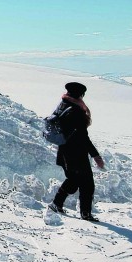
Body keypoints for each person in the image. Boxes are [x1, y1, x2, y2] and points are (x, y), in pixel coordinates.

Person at [50, 81, 105, 222]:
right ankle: (85, 214)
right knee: (87, 184)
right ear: (79, 95)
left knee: (73, 180)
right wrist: (96, 155)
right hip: (76, 154)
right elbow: (83, 137)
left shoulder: (63, 106)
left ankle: (56, 204)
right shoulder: (75, 111)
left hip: (64, 151)